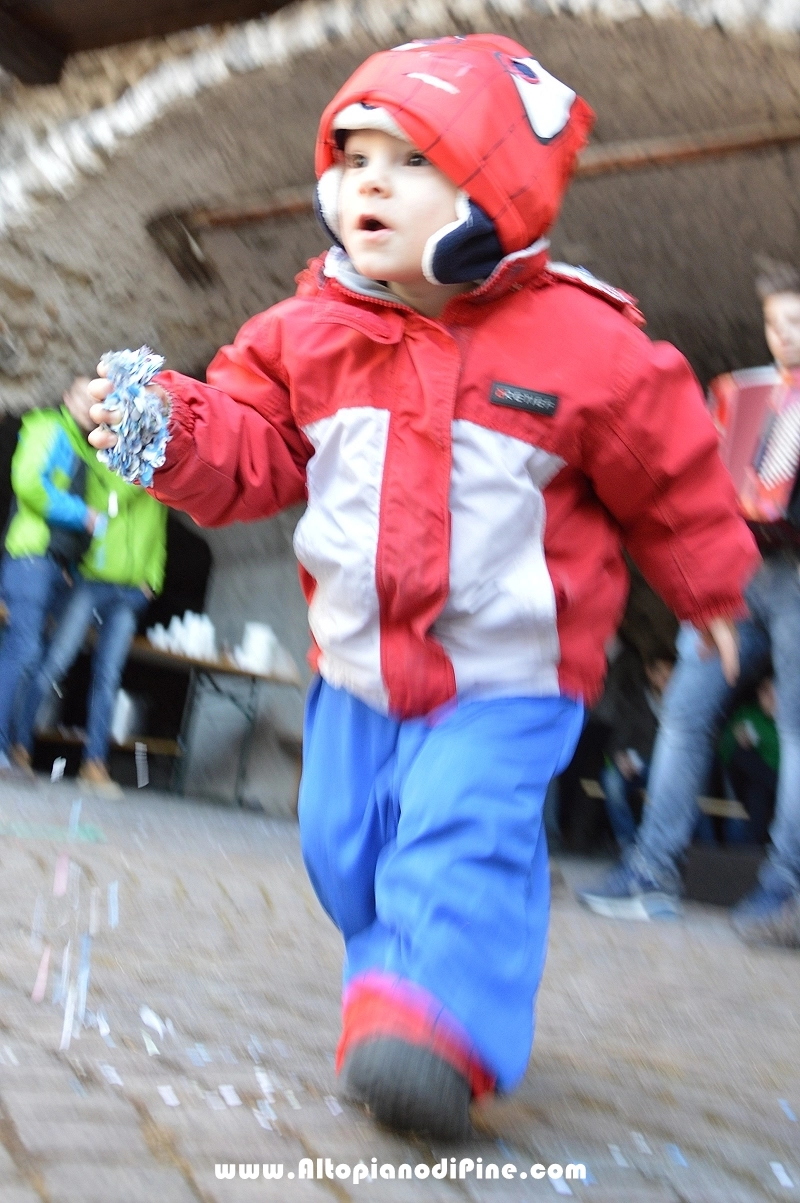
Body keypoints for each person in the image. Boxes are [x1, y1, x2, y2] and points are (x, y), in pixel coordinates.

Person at [86, 35, 757, 1137]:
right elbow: (250, 448)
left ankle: (441, 1026)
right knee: (342, 849)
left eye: (410, 162)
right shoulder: (302, 334)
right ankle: (400, 985)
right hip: (356, 669)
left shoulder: (587, 347)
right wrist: (167, 426)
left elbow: (671, 475)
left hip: (508, 678)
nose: (370, 185)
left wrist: (712, 589)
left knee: (455, 833)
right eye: (352, 160)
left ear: (495, 190)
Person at [578, 259, 800, 947]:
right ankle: (652, 872)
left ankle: (786, 886)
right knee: (683, 712)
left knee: (797, 730)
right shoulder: (745, 393)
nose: (783, 336)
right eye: (774, 323)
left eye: (795, 322)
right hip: (737, 574)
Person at [16, 379, 167, 797]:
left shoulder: (155, 475)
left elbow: (160, 533)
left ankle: (94, 765)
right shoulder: (101, 458)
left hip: (129, 590)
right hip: (91, 580)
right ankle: (19, 746)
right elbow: (112, 501)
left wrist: (152, 579)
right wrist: (138, 469)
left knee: (109, 677)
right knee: (56, 661)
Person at [0, 378, 99, 776]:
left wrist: (69, 567)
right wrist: (81, 514)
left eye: (96, 402)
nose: (89, 407)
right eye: (84, 398)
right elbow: (28, 483)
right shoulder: (47, 426)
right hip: (31, 558)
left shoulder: (82, 449)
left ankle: (11, 748)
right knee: (22, 651)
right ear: (67, 398)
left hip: (53, 567)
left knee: (29, 655)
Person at [599, 648, 674, 849]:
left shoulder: (682, 704)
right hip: (638, 764)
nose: (666, 679)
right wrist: (620, 758)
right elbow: (618, 738)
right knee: (611, 780)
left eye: (670, 674)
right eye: (661, 673)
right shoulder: (636, 701)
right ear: (650, 673)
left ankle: (665, 846)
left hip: (670, 768)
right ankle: (629, 845)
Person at [719, 674, 778, 845]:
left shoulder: (791, 723)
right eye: (764, 691)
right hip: (745, 783)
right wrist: (737, 739)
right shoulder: (749, 714)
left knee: (757, 790)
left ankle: (752, 848)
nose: (768, 697)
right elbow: (725, 751)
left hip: (773, 787)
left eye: (773, 691)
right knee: (742, 756)